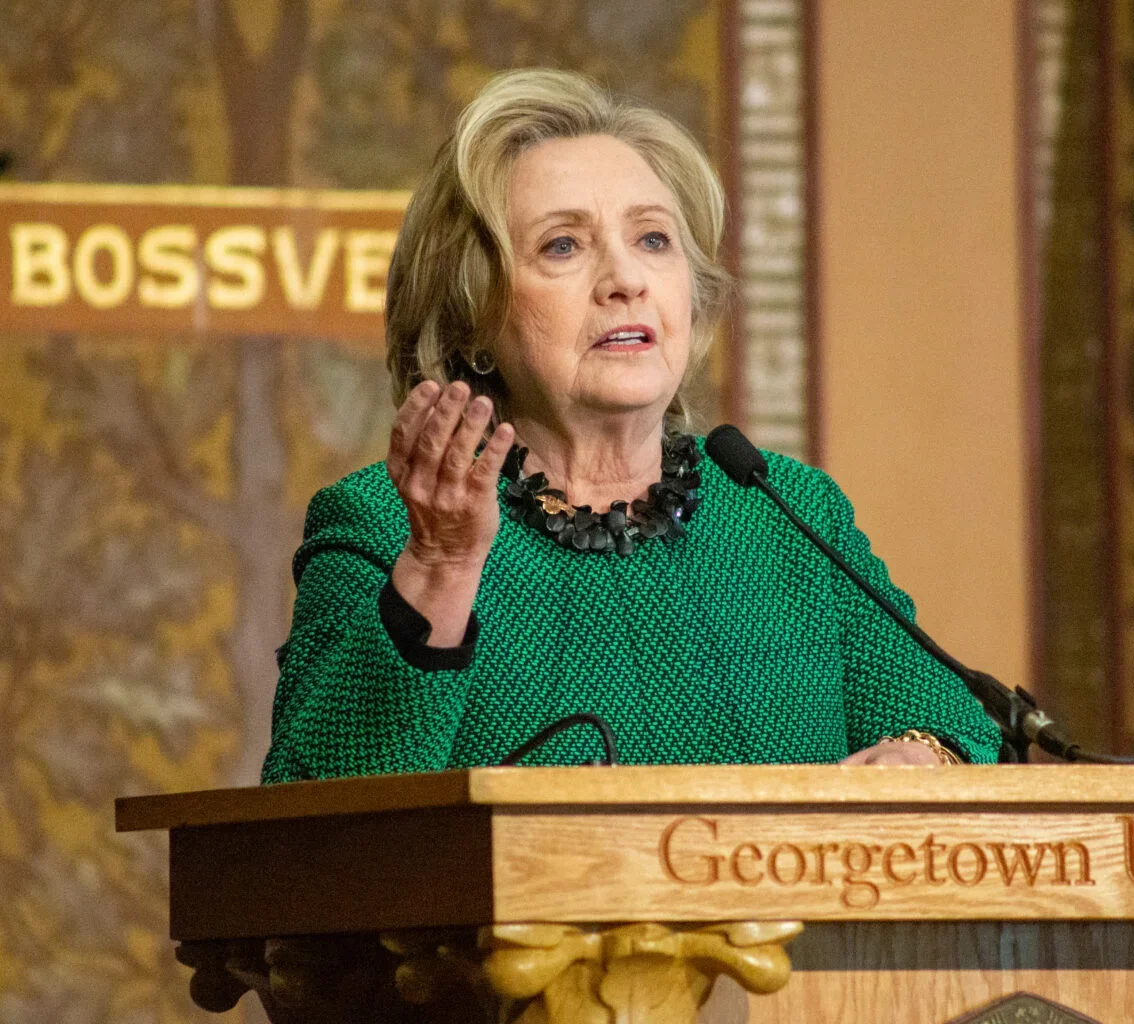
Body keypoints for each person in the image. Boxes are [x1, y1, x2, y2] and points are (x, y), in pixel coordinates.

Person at [260, 69, 1000, 783]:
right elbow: (310, 826)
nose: (626, 279)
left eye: (653, 239)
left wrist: (926, 755)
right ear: (473, 313)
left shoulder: (788, 516)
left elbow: (953, 725)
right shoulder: (383, 527)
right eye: (563, 245)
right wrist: (442, 569)